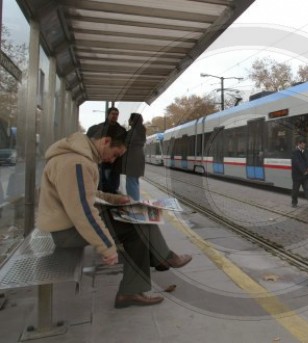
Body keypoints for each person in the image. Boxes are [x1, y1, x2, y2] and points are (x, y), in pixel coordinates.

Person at [37, 126, 192, 309]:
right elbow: (83, 212)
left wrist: (115, 199)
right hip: (67, 232)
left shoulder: (77, 157)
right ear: (106, 141)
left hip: (68, 226)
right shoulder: (76, 163)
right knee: (138, 225)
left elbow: (87, 194)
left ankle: (158, 262)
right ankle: (149, 272)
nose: (113, 159)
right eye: (115, 154)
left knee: (140, 216)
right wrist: (107, 247)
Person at [87, 107, 127, 194]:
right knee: (101, 183)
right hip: (101, 161)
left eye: (116, 114)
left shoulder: (122, 130)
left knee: (114, 184)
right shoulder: (98, 128)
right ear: (108, 114)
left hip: (116, 163)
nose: (115, 116)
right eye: (113, 114)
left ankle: (111, 200)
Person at [122, 113, 146, 201]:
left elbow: (126, 144)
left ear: (132, 121)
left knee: (131, 183)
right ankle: (134, 202)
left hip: (132, 160)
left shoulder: (133, 132)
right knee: (134, 182)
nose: (128, 120)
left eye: (130, 119)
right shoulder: (140, 130)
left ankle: (133, 204)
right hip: (137, 159)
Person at [291, 137, 308, 209]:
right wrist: (304, 170)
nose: (304, 146)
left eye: (304, 145)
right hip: (297, 175)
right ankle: (294, 202)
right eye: (303, 145)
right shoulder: (294, 152)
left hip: (306, 175)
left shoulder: (306, 151)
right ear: (299, 144)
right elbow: (297, 163)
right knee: (295, 190)